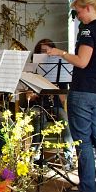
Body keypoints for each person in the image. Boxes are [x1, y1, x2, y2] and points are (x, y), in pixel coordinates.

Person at [47, 0, 96, 192]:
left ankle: (87, 186)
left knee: (83, 140)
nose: (78, 17)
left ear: (88, 8)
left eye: (78, 12)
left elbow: (82, 61)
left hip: (85, 91)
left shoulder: (88, 30)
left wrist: (61, 53)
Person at [26, 38, 74, 168]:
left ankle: (69, 158)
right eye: (42, 51)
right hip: (38, 106)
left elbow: (63, 99)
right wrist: (36, 93)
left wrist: (54, 89)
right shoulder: (33, 70)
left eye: (49, 51)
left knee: (65, 121)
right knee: (38, 119)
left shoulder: (60, 72)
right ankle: (35, 155)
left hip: (55, 106)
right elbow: (28, 96)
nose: (46, 54)